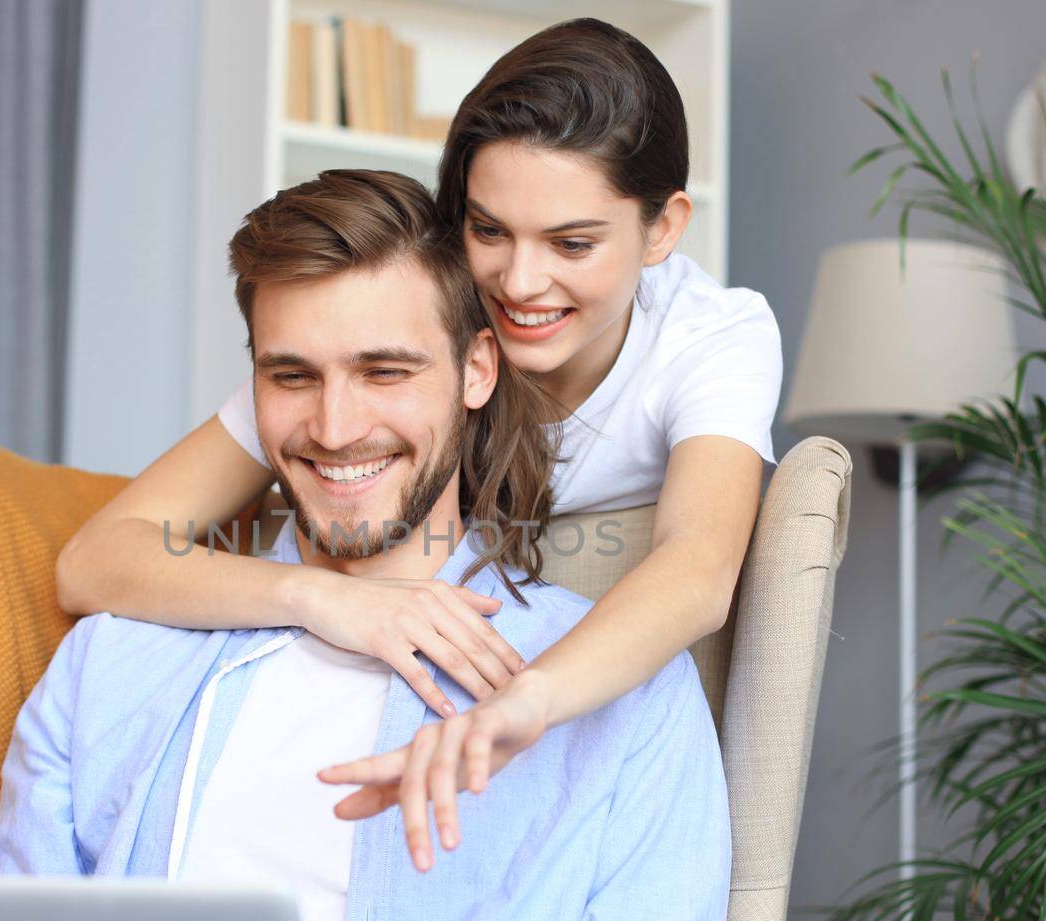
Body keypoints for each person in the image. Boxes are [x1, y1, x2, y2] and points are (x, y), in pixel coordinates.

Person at [0, 171, 729, 921]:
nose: (335, 428)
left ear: (476, 369)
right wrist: (322, 602)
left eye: (385, 371)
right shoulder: (115, 659)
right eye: (292, 375)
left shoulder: (617, 692)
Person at [55, 18, 779, 867]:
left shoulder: (708, 338)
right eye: (489, 230)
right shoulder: (386, 350)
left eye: (572, 243)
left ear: (662, 229)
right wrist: (321, 599)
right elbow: (94, 559)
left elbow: (697, 568)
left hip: (533, 681)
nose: (519, 282)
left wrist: (523, 704)